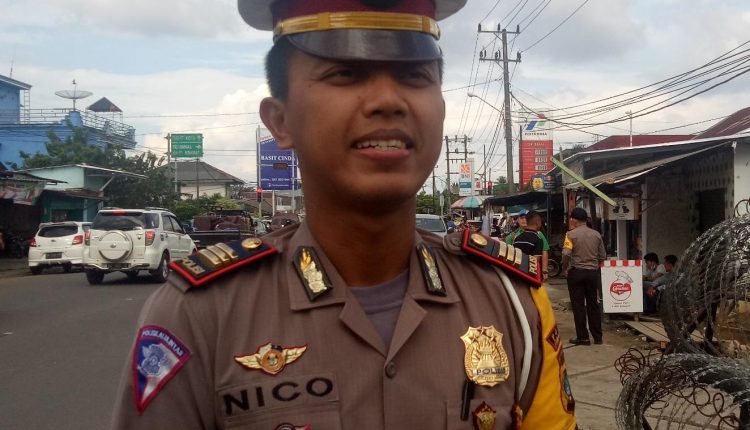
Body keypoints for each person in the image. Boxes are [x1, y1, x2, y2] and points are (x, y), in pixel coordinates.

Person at [110, 1, 576, 429]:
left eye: (415, 75)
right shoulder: (198, 315)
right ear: (280, 121)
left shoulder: (512, 300)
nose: (387, 100)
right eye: (345, 74)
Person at [561, 207, 607, 346]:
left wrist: (565, 268)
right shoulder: (596, 235)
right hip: (592, 273)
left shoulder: (570, 235)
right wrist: (594, 265)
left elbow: (566, 253)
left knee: (578, 305)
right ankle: (598, 337)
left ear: (574, 220)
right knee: (593, 304)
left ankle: (583, 337)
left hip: (576, 272)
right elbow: (602, 256)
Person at [507, 209, 550, 281]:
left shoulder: (539, 234)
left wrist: (544, 270)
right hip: (519, 271)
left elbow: (544, 251)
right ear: (517, 220)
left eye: (526, 218)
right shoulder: (511, 236)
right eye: (521, 218)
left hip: (531, 272)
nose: (524, 220)